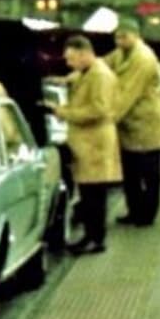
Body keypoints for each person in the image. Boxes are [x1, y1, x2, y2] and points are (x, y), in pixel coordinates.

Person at [46, 35, 120, 254]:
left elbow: (99, 110)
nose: (68, 63)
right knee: (89, 194)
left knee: (94, 196)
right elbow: (77, 77)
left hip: (95, 143)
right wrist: (63, 81)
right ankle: (91, 236)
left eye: (71, 58)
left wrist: (64, 112)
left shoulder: (100, 76)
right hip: (88, 142)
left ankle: (95, 240)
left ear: (83, 53)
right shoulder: (88, 72)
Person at [104, 19, 160, 226]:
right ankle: (134, 210)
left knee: (148, 174)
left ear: (136, 35)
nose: (119, 41)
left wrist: (108, 120)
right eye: (117, 37)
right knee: (130, 173)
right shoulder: (122, 53)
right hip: (130, 125)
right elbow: (103, 65)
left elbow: (127, 93)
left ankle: (147, 215)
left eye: (124, 36)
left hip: (145, 124)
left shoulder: (143, 58)